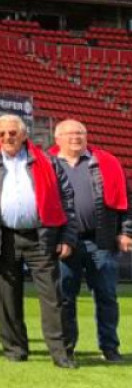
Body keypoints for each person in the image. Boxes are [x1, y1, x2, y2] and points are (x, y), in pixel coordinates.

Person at [0, 114, 77, 368]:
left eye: (12, 133)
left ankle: (61, 354)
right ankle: (15, 351)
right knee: (6, 297)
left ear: (24, 134)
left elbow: (67, 199)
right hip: (2, 236)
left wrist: (68, 236)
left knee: (52, 298)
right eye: (1, 134)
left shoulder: (47, 160)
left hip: (41, 236)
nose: (6, 138)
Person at [50, 119, 131, 362]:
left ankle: (109, 347)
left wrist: (126, 231)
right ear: (58, 138)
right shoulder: (47, 164)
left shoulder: (106, 162)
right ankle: (67, 348)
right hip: (65, 241)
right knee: (65, 297)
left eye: (80, 133)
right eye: (70, 133)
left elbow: (125, 201)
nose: (76, 137)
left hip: (101, 241)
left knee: (106, 296)